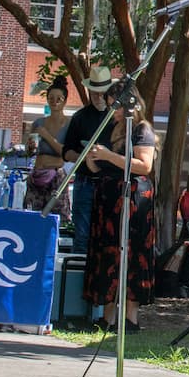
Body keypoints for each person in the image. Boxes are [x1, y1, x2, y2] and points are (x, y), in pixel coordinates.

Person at [82, 85, 158, 331]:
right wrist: (92, 159)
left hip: (133, 200)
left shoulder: (141, 129)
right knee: (108, 253)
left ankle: (131, 318)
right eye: (110, 105)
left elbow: (144, 165)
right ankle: (108, 316)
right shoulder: (109, 128)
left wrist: (108, 156)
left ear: (129, 105)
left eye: (116, 105)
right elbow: (99, 168)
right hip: (108, 199)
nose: (112, 111)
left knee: (132, 253)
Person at [62, 66, 116, 253]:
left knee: (108, 235)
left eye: (102, 93)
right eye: (95, 93)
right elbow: (67, 152)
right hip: (85, 181)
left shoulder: (117, 117)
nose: (98, 97)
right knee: (82, 236)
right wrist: (84, 157)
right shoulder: (80, 117)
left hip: (110, 182)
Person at [23, 75, 72, 220]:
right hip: (37, 174)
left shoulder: (69, 125)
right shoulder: (38, 123)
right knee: (31, 217)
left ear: (65, 101)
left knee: (56, 218)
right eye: (51, 98)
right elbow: (30, 152)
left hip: (56, 176)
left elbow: (65, 153)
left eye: (59, 99)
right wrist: (30, 147)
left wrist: (47, 136)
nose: (54, 102)